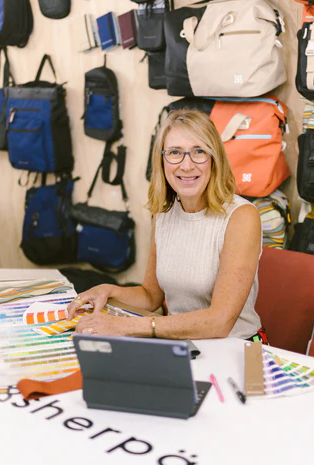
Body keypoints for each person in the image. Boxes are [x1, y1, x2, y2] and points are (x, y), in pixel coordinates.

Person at [68, 108, 267, 343]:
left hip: (238, 347)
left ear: (214, 159)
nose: (186, 165)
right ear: (162, 161)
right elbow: (150, 296)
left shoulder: (241, 217)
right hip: (181, 345)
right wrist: (107, 290)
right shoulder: (162, 214)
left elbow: (220, 321)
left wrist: (127, 326)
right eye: (175, 153)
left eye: (199, 152)